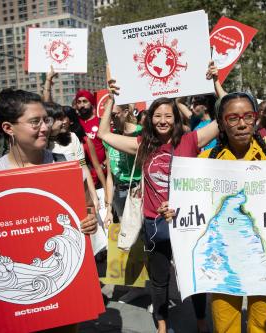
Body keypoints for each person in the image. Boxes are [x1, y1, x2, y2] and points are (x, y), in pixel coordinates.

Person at [163, 92, 266, 333]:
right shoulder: (205, 161)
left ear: (255, 119)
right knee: (224, 326)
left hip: (264, 262)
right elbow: (190, 206)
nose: (241, 124)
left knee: (264, 326)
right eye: (232, 118)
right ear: (221, 123)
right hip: (222, 265)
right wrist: (173, 211)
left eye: (247, 116)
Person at [0, 89, 98, 332]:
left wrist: (89, 221)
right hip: (10, 312)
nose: (45, 127)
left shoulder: (63, 168)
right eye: (34, 122)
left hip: (61, 308)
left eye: (45, 120)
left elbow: (87, 208)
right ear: (8, 128)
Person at [98, 81, 219, 332]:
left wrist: (216, 83)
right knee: (159, 280)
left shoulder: (190, 140)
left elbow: (226, 117)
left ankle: (200, 319)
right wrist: (110, 99)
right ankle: (162, 323)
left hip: (188, 222)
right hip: (155, 223)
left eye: (168, 116)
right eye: (157, 115)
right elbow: (104, 135)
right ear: (150, 119)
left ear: (176, 118)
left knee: (192, 277)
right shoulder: (142, 144)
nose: (162, 120)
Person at [99, 102, 147, 304]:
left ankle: (153, 289)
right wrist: (108, 208)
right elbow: (109, 174)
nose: (110, 119)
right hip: (119, 193)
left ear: (126, 112)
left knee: (145, 241)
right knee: (128, 241)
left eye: (114, 114)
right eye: (108, 116)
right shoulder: (109, 138)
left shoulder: (141, 132)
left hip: (137, 191)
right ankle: (135, 287)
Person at [45, 102, 101, 213]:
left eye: (64, 117)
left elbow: (84, 169)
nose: (64, 121)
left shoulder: (73, 138)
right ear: (48, 121)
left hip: (79, 196)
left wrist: (94, 197)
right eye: (59, 119)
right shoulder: (40, 146)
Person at [75, 89, 108, 192]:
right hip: (82, 177)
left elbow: (110, 150)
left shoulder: (101, 122)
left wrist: (102, 166)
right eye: (79, 102)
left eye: (85, 101)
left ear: (92, 103)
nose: (82, 105)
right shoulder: (74, 123)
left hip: (102, 176)